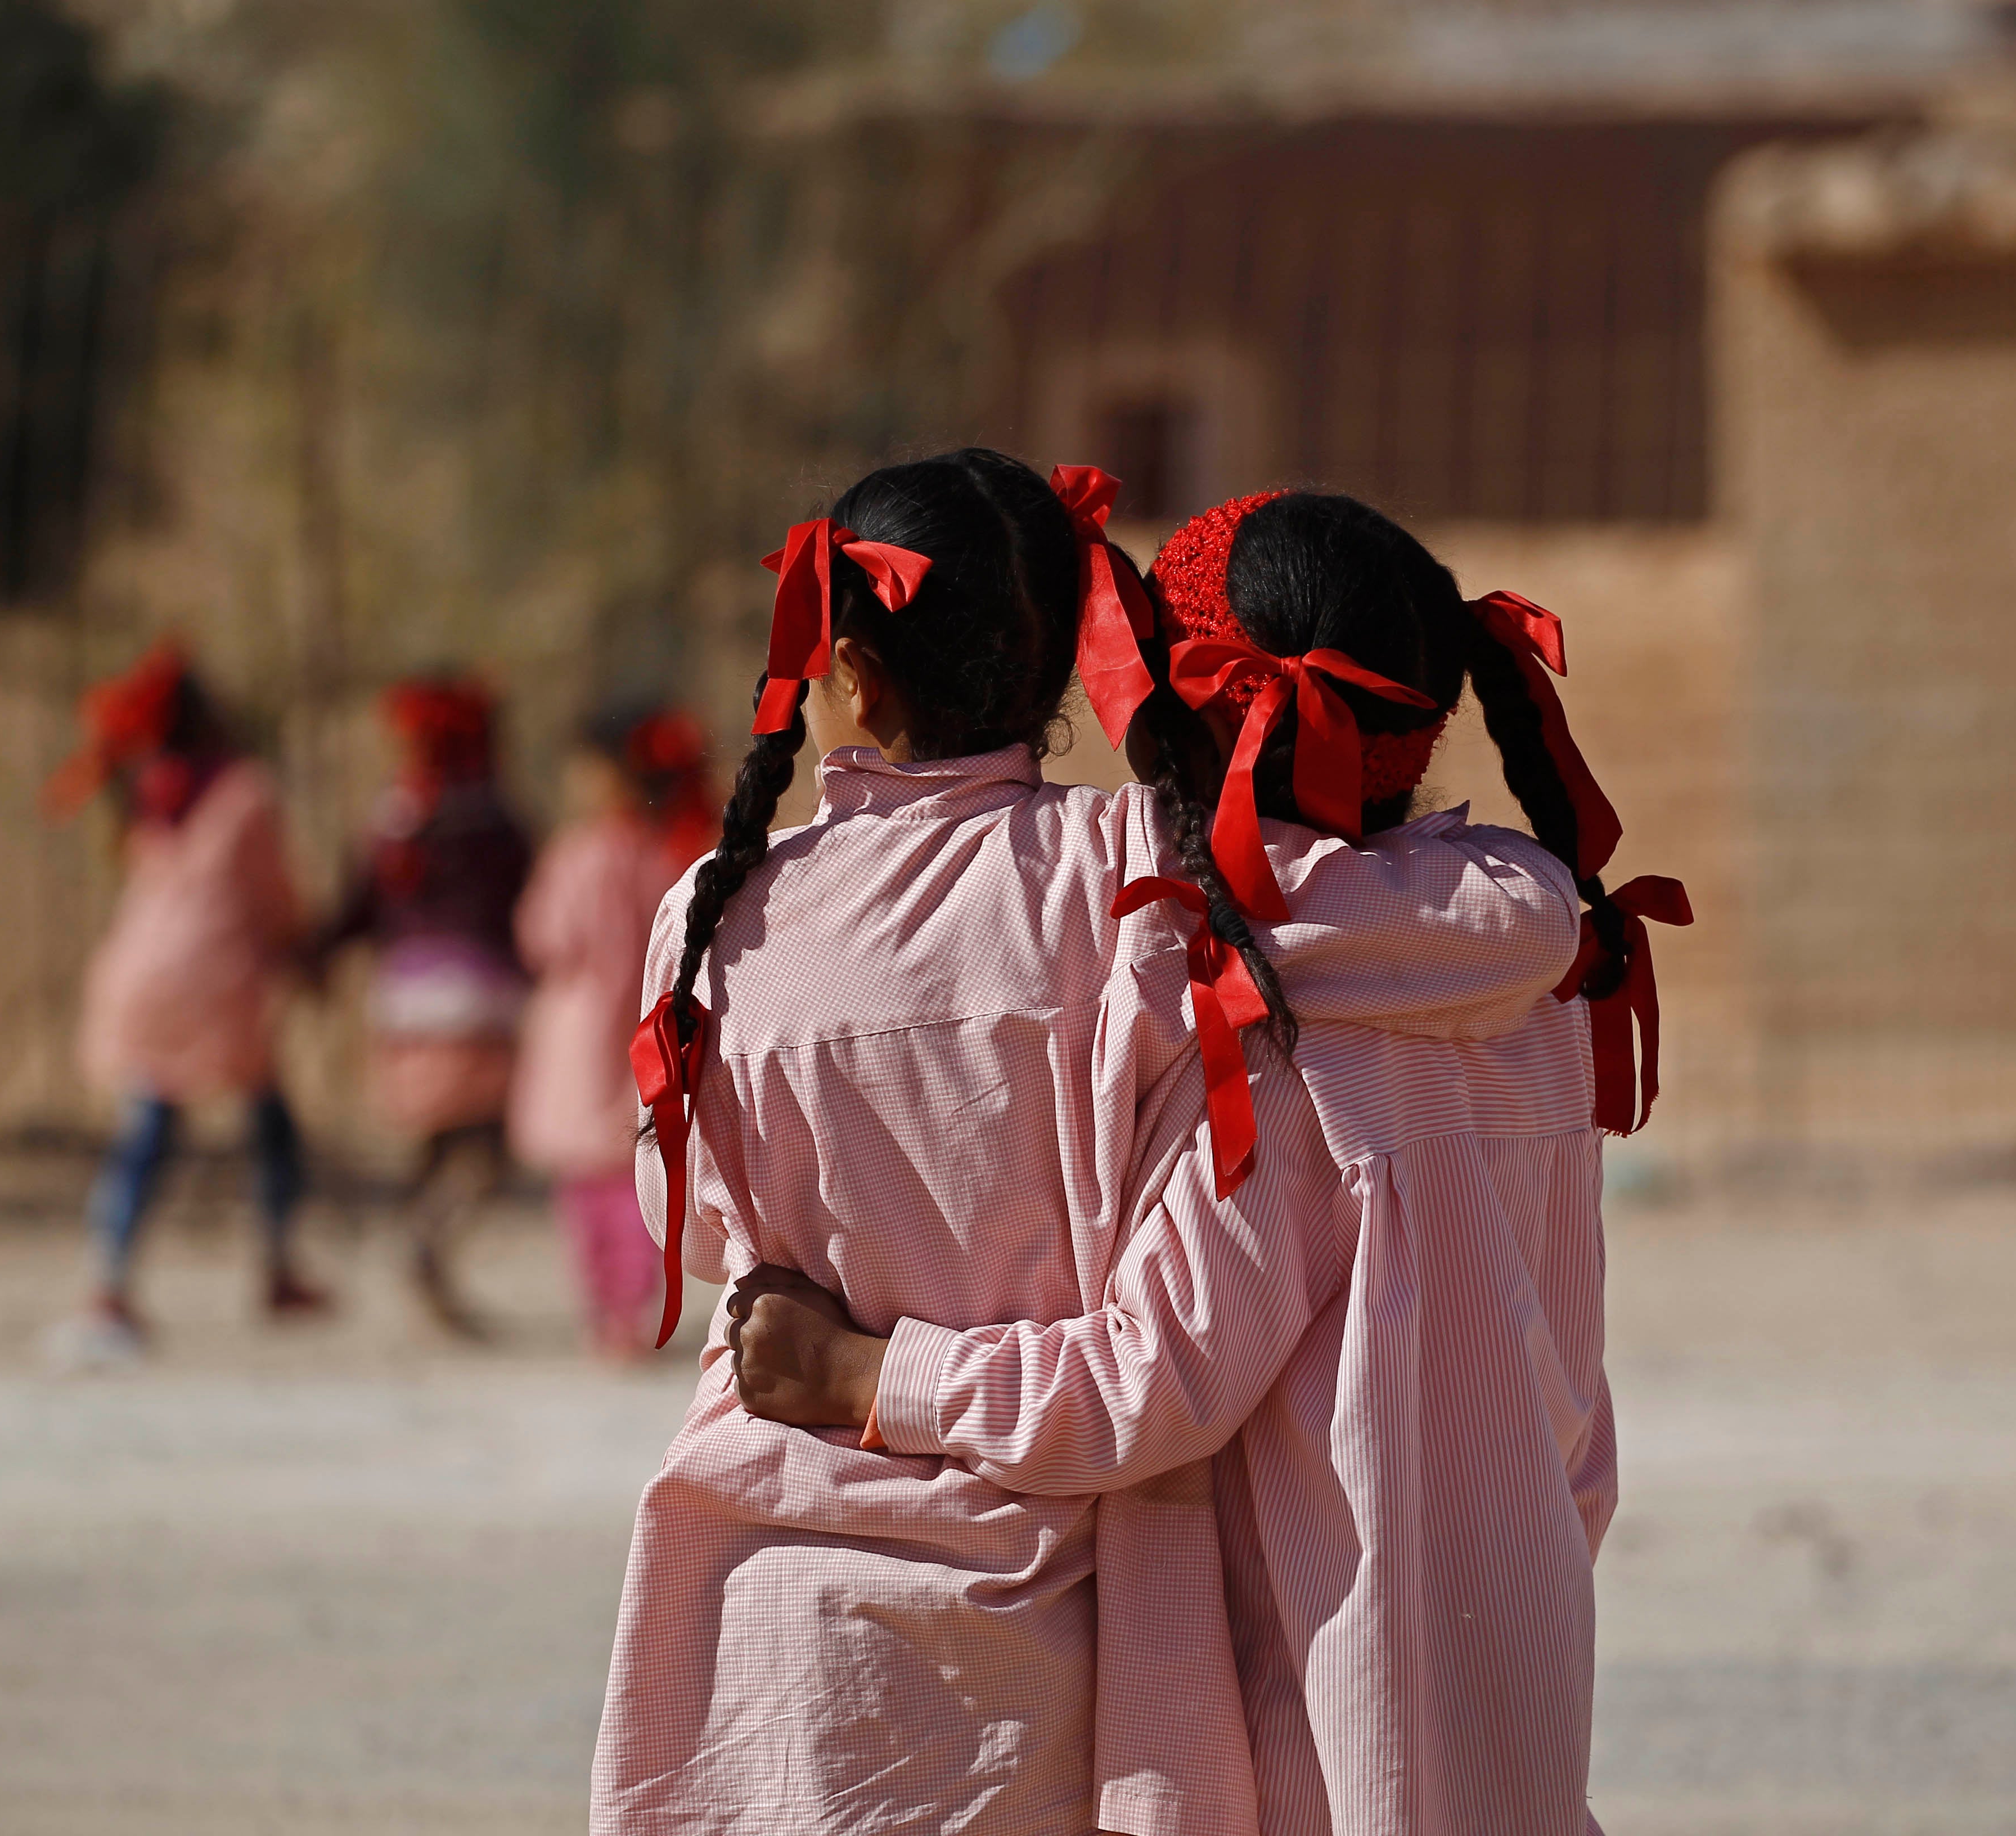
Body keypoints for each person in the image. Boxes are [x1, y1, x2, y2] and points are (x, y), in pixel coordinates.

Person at [591, 452, 1583, 1835]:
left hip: (776, 1587)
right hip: (1108, 1615)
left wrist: (855, 1358)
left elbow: (694, 1227)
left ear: (851, 677)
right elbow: (1374, 903)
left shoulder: (724, 910)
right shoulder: (1143, 902)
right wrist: (1546, 898)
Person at [48, 642, 328, 1362]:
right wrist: (304, 951)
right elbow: (272, 896)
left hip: (138, 975)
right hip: (214, 981)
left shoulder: (149, 791)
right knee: (269, 1126)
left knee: (146, 1131)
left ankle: (109, 1279)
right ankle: (278, 1265)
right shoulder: (244, 791)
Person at [310, 675, 533, 1336]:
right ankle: (428, 1244)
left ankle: (424, 1255)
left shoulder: (396, 815)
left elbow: (358, 904)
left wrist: (314, 955)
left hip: (403, 1005)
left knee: (438, 1142)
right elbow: (528, 906)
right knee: (487, 1150)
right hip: (480, 1002)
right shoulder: (496, 819)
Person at [510, 703, 713, 1356]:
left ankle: (605, 1309)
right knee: (635, 1172)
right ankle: (629, 1309)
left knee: (585, 1188)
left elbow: (544, 936)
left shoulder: (581, 854)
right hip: (640, 1029)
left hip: (578, 1034)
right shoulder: (667, 855)